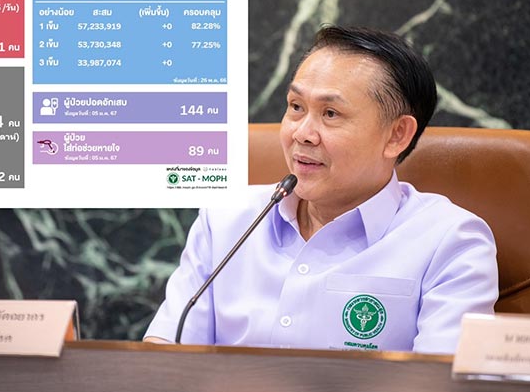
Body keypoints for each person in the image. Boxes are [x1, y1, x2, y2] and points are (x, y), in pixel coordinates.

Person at [145, 25, 498, 354]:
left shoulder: (451, 242)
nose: (302, 133)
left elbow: (441, 389)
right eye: (296, 107)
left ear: (396, 135)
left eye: (330, 114)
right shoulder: (227, 218)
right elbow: (164, 358)